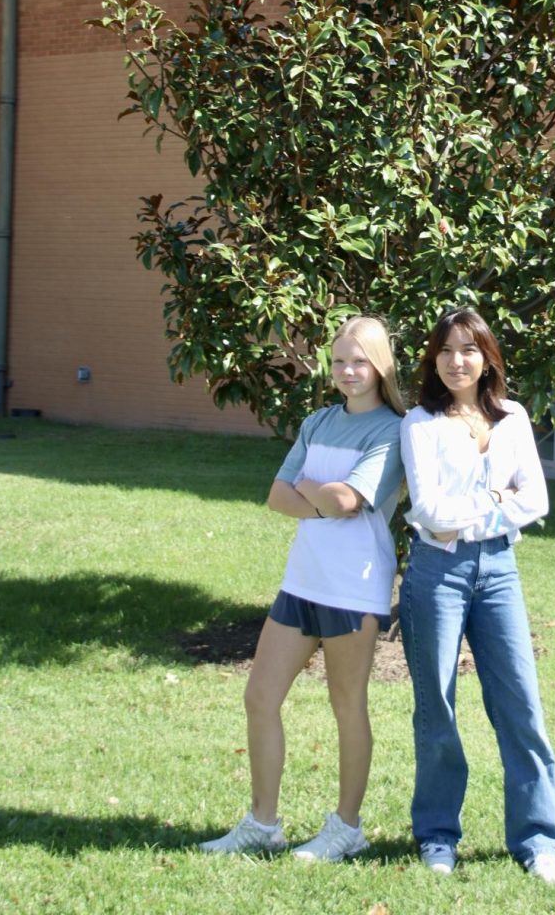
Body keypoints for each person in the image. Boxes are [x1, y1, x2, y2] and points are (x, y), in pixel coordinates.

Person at [199, 316, 404, 862]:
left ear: (380, 365)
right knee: (259, 696)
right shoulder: (316, 421)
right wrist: (323, 495)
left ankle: (346, 828)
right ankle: (262, 824)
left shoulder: (392, 430)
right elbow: (275, 496)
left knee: (347, 706)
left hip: (354, 589)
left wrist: (310, 490)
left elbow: (346, 503)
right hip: (302, 581)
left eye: (359, 361)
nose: (347, 371)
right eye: (338, 361)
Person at [399, 307, 555, 885]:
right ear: (433, 359)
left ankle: (539, 840)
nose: (455, 361)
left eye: (468, 349)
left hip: (498, 571)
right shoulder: (419, 423)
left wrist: (470, 512)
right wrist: (498, 500)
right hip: (435, 573)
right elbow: (427, 510)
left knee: (521, 705)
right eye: (445, 350)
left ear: (487, 357)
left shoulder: (514, 417)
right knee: (437, 707)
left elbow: (537, 500)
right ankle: (438, 836)